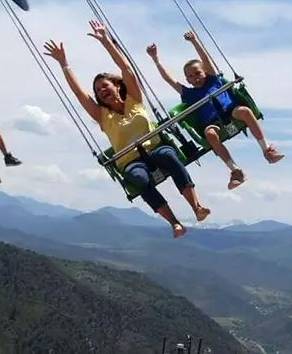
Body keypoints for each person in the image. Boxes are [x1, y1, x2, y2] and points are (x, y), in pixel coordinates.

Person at [43, 20, 211, 239]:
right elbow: (78, 93)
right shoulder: (102, 116)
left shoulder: (134, 100)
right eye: (98, 90)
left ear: (116, 85)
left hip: (155, 148)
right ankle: (174, 223)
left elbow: (126, 69)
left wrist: (106, 41)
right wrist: (64, 64)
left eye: (105, 85)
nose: (102, 91)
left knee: (169, 157)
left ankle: (196, 207)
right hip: (130, 160)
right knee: (139, 179)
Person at [147, 31, 284, 190]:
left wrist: (194, 41)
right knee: (210, 135)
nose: (195, 78)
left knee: (245, 111)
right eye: (191, 76)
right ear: (187, 80)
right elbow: (168, 79)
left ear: (205, 71)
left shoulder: (213, 79)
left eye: (198, 73)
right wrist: (155, 59)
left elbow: (205, 58)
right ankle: (235, 171)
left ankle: (267, 150)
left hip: (230, 111)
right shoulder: (188, 94)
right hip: (211, 122)